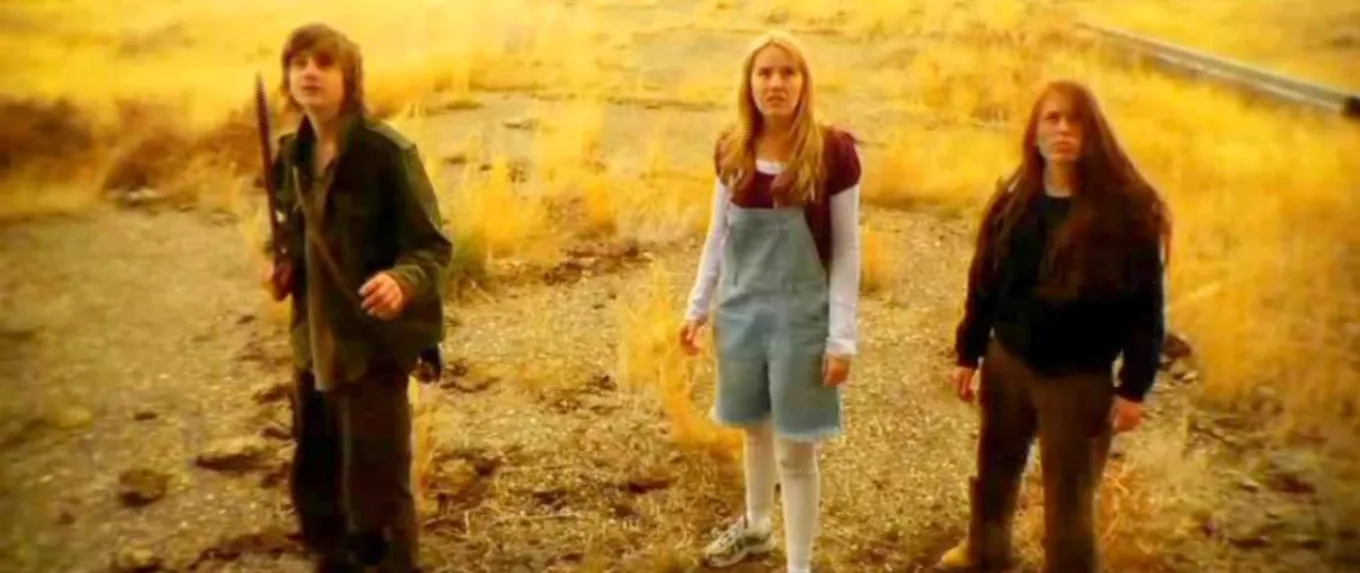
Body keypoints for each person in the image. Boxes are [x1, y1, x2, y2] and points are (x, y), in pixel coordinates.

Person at [937, 80, 1171, 573]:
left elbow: (1146, 308)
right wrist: (969, 351)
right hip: (1008, 362)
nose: (1064, 129)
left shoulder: (1125, 212)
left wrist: (1134, 387)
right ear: (1035, 131)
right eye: (1053, 118)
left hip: (1077, 380)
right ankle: (985, 551)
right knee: (995, 470)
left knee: (1069, 500)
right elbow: (984, 281)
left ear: (1094, 132)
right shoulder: (1013, 201)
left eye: (1075, 120)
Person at [262, 22, 452, 573]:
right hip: (312, 343)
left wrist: (401, 281)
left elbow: (431, 246)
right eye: (299, 63)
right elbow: (292, 235)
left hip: (371, 347)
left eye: (325, 63)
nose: (310, 73)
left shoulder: (386, 153)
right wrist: (283, 267)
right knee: (317, 474)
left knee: (377, 486)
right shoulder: (289, 156)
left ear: (350, 78)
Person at [678, 30, 862, 573]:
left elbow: (847, 251)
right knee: (755, 430)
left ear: (804, 82)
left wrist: (841, 339)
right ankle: (757, 527)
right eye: (765, 73)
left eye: (788, 72)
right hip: (741, 314)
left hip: (802, 321)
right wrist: (697, 308)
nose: (776, 83)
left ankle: (799, 566)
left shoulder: (833, 153)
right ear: (749, 83)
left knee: (795, 450)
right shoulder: (731, 149)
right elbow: (718, 235)